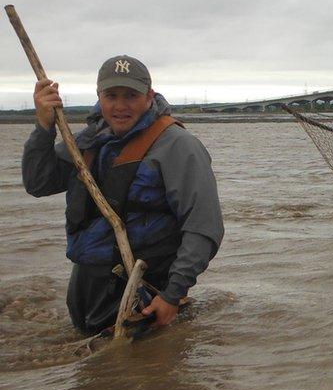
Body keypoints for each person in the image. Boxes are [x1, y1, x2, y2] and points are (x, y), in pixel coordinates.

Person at [22, 55, 223, 335]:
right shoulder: (87, 141)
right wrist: (44, 128)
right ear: (99, 97)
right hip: (86, 293)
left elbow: (204, 227)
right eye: (111, 95)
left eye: (130, 95)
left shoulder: (178, 145)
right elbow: (38, 183)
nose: (119, 106)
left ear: (148, 96)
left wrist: (172, 295)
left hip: (145, 301)